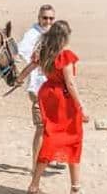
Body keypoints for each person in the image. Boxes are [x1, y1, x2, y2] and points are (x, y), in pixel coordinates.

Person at [16, 20, 88, 194]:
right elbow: (70, 83)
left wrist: (19, 78)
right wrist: (81, 107)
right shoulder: (64, 55)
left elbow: (29, 68)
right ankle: (75, 188)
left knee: (50, 136)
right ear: (64, 37)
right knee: (72, 139)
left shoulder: (43, 52)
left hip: (48, 94)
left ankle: (35, 184)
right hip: (63, 99)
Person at [17, 4, 60, 171]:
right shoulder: (32, 34)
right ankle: (35, 165)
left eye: (51, 18)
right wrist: (40, 60)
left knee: (53, 124)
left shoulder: (53, 34)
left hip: (53, 85)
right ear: (39, 18)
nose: (48, 21)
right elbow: (23, 51)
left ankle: (51, 157)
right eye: (45, 18)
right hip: (38, 86)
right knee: (41, 127)